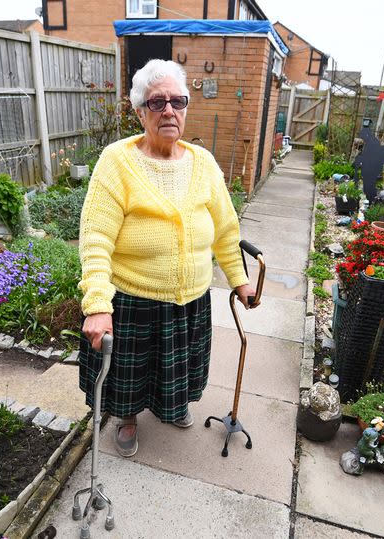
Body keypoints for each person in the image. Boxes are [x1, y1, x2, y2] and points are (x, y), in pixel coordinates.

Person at [77, 59, 256, 458]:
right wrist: (97, 305)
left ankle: (172, 408)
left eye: (178, 101)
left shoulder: (203, 163)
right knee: (129, 376)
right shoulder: (116, 162)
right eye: (157, 103)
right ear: (140, 111)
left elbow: (226, 229)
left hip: (190, 300)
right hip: (134, 299)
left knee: (178, 371)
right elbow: (95, 241)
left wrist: (239, 280)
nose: (169, 110)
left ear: (187, 107)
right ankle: (125, 418)